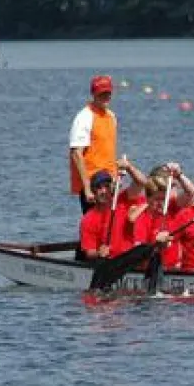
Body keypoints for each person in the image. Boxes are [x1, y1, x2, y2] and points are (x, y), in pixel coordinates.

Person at [70, 75, 118, 213]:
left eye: (108, 93)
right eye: (102, 93)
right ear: (94, 94)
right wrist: (86, 188)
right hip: (93, 185)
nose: (106, 96)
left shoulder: (111, 116)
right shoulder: (84, 117)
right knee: (93, 226)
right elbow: (76, 153)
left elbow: (108, 151)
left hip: (109, 183)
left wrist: (115, 179)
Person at [78, 169, 132, 260]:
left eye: (107, 187)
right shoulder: (88, 219)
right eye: (99, 188)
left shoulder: (122, 201)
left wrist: (128, 167)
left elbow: (141, 183)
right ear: (93, 191)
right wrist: (99, 253)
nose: (104, 191)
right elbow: (89, 252)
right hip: (110, 263)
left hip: (130, 259)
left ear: (111, 188)